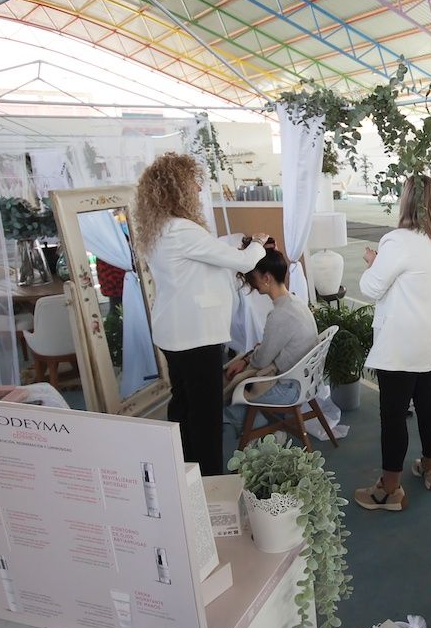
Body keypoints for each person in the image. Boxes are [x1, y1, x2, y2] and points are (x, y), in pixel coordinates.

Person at [134, 152, 268, 477]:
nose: (197, 188)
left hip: (173, 332)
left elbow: (204, 264)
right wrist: (258, 244)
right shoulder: (182, 230)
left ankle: (185, 472)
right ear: (177, 188)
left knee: (183, 405)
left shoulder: (160, 228)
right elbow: (243, 262)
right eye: (192, 182)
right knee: (206, 414)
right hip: (195, 335)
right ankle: (210, 483)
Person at [355, 174, 431, 512]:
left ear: (406, 203)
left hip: (403, 346)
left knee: (393, 414)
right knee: (429, 401)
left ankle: (389, 489)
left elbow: (370, 288)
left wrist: (374, 263)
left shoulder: (398, 241)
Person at [223, 247, 319, 448]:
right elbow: (266, 352)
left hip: (290, 388)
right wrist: (254, 354)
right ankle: (263, 432)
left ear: (266, 278)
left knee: (231, 394)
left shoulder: (280, 314)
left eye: (252, 278)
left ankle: (264, 436)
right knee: (237, 374)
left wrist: (250, 357)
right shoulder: (294, 302)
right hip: (305, 379)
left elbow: (261, 360)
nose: (251, 283)